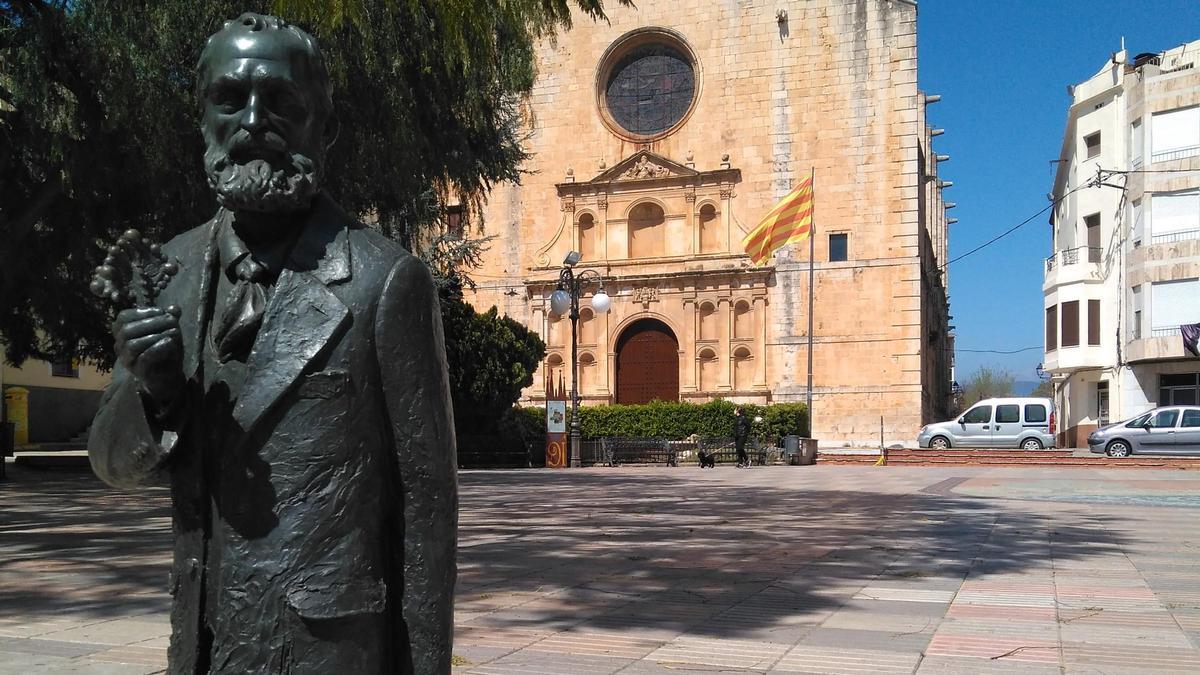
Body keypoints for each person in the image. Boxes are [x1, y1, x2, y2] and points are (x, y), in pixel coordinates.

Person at [87, 14, 456, 674]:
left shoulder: (385, 280)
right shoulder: (170, 271)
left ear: (325, 127)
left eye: (282, 101)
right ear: (203, 119)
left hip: (326, 651)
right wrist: (156, 391)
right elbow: (113, 463)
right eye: (230, 98)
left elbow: (426, 511)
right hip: (201, 645)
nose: (254, 120)